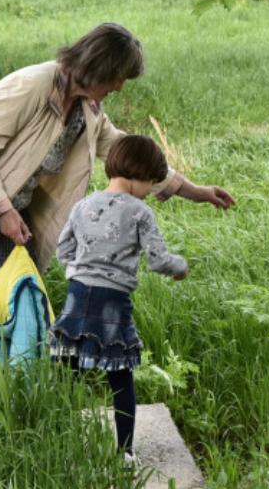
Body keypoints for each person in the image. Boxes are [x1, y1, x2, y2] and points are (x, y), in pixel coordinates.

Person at [0, 22, 234, 374]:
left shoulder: (87, 108)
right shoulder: (32, 85)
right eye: (119, 78)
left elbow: (125, 152)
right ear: (101, 67)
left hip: (3, 217)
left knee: (6, 305)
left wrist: (195, 192)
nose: (119, 86)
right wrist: (4, 211)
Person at [49, 134, 188, 464]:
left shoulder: (82, 206)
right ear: (140, 174)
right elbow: (157, 260)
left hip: (76, 298)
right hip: (113, 302)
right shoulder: (139, 212)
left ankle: (57, 442)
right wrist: (181, 267)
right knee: (121, 375)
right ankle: (125, 453)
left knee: (68, 373)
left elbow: (63, 251)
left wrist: (85, 268)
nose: (150, 191)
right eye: (151, 183)